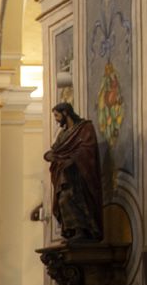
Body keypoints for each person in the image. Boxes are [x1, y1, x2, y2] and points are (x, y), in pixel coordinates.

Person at [43, 102, 104, 243]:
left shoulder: (85, 128)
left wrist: (72, 159)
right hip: (64, 174)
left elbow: (88, 148)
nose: (56, 120)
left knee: (72, 198)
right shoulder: (63, 134)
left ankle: (82, 230)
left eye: (57, 115)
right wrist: (49, 155)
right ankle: (73, 231)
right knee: (63, 200)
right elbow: (55, 150)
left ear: (65, 112)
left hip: (80, 174)